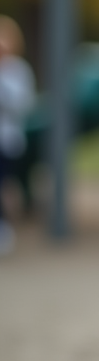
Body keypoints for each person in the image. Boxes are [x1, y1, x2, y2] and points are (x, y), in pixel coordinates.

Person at [0, 15, 35, 255]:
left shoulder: (19, 71)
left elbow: (22, 104)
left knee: (4, 183)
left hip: (8, 140)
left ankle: (5, 225)